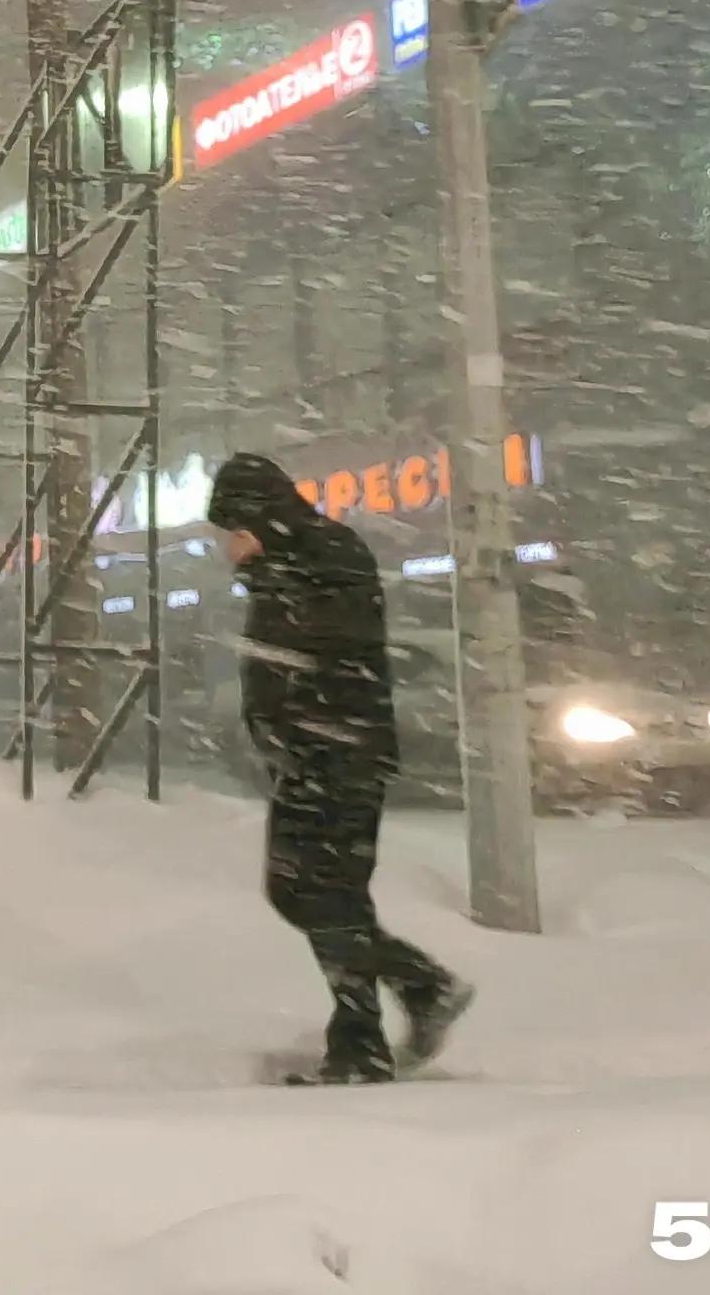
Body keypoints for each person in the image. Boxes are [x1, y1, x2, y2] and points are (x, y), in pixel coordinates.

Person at [208, 451, 474, 1084]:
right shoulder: (294, 561)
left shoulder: (323, 558)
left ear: (259, 519)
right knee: (311, 893)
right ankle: (407, 1000)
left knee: (322, 894)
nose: (227, 548)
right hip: (314, 755)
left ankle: (374, 1032)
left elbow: (324, 651)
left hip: (337, 753)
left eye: (233, 532)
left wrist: (301, 730)